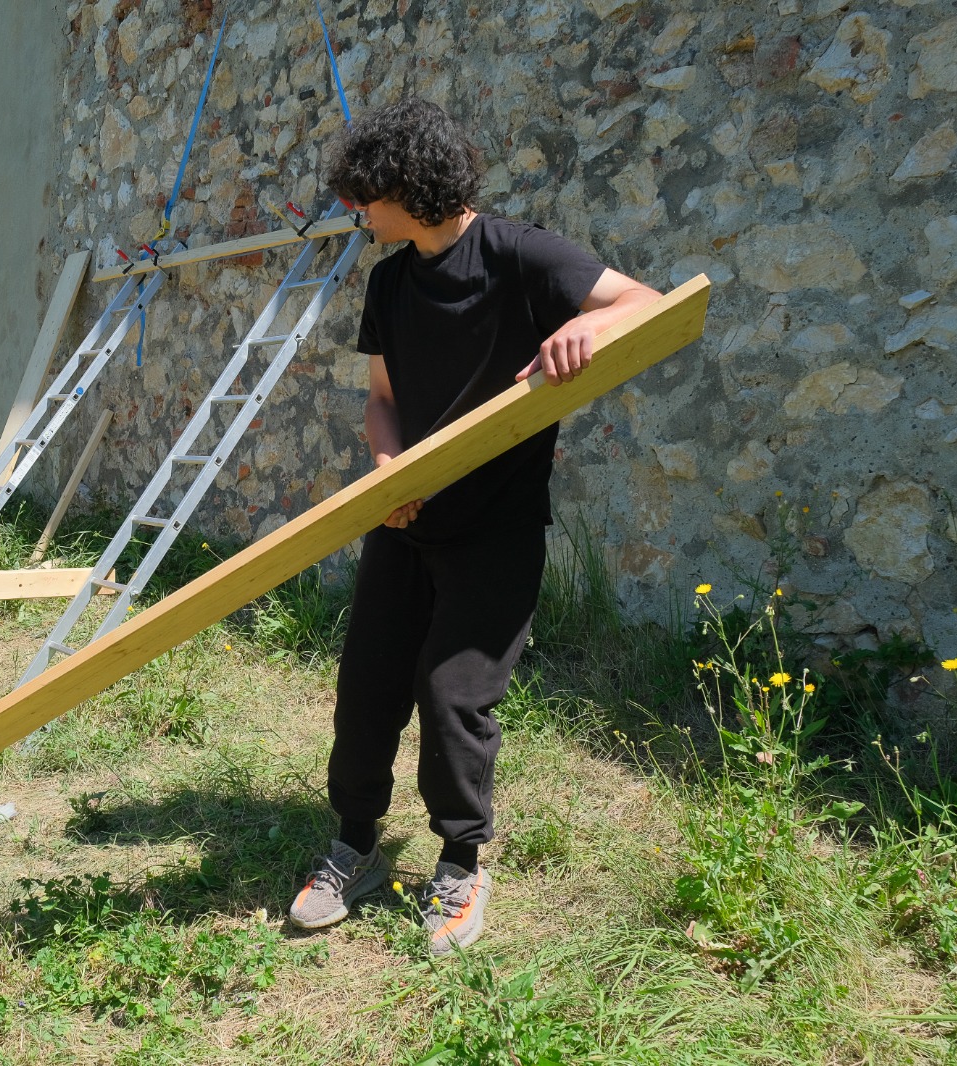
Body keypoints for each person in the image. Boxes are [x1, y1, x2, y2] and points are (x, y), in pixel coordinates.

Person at [286, 98, 661, 953]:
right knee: (368, 688)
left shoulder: (520, 254)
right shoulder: (388, 281)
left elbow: (644, 300)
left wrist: (589, 327)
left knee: (454, 696)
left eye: (364, 197)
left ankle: (461, 859)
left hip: (495, 526)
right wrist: (387, 472)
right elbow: (382, 401)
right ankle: (356, 844)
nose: (356, 212)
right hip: (404, 522)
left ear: (407, 188)